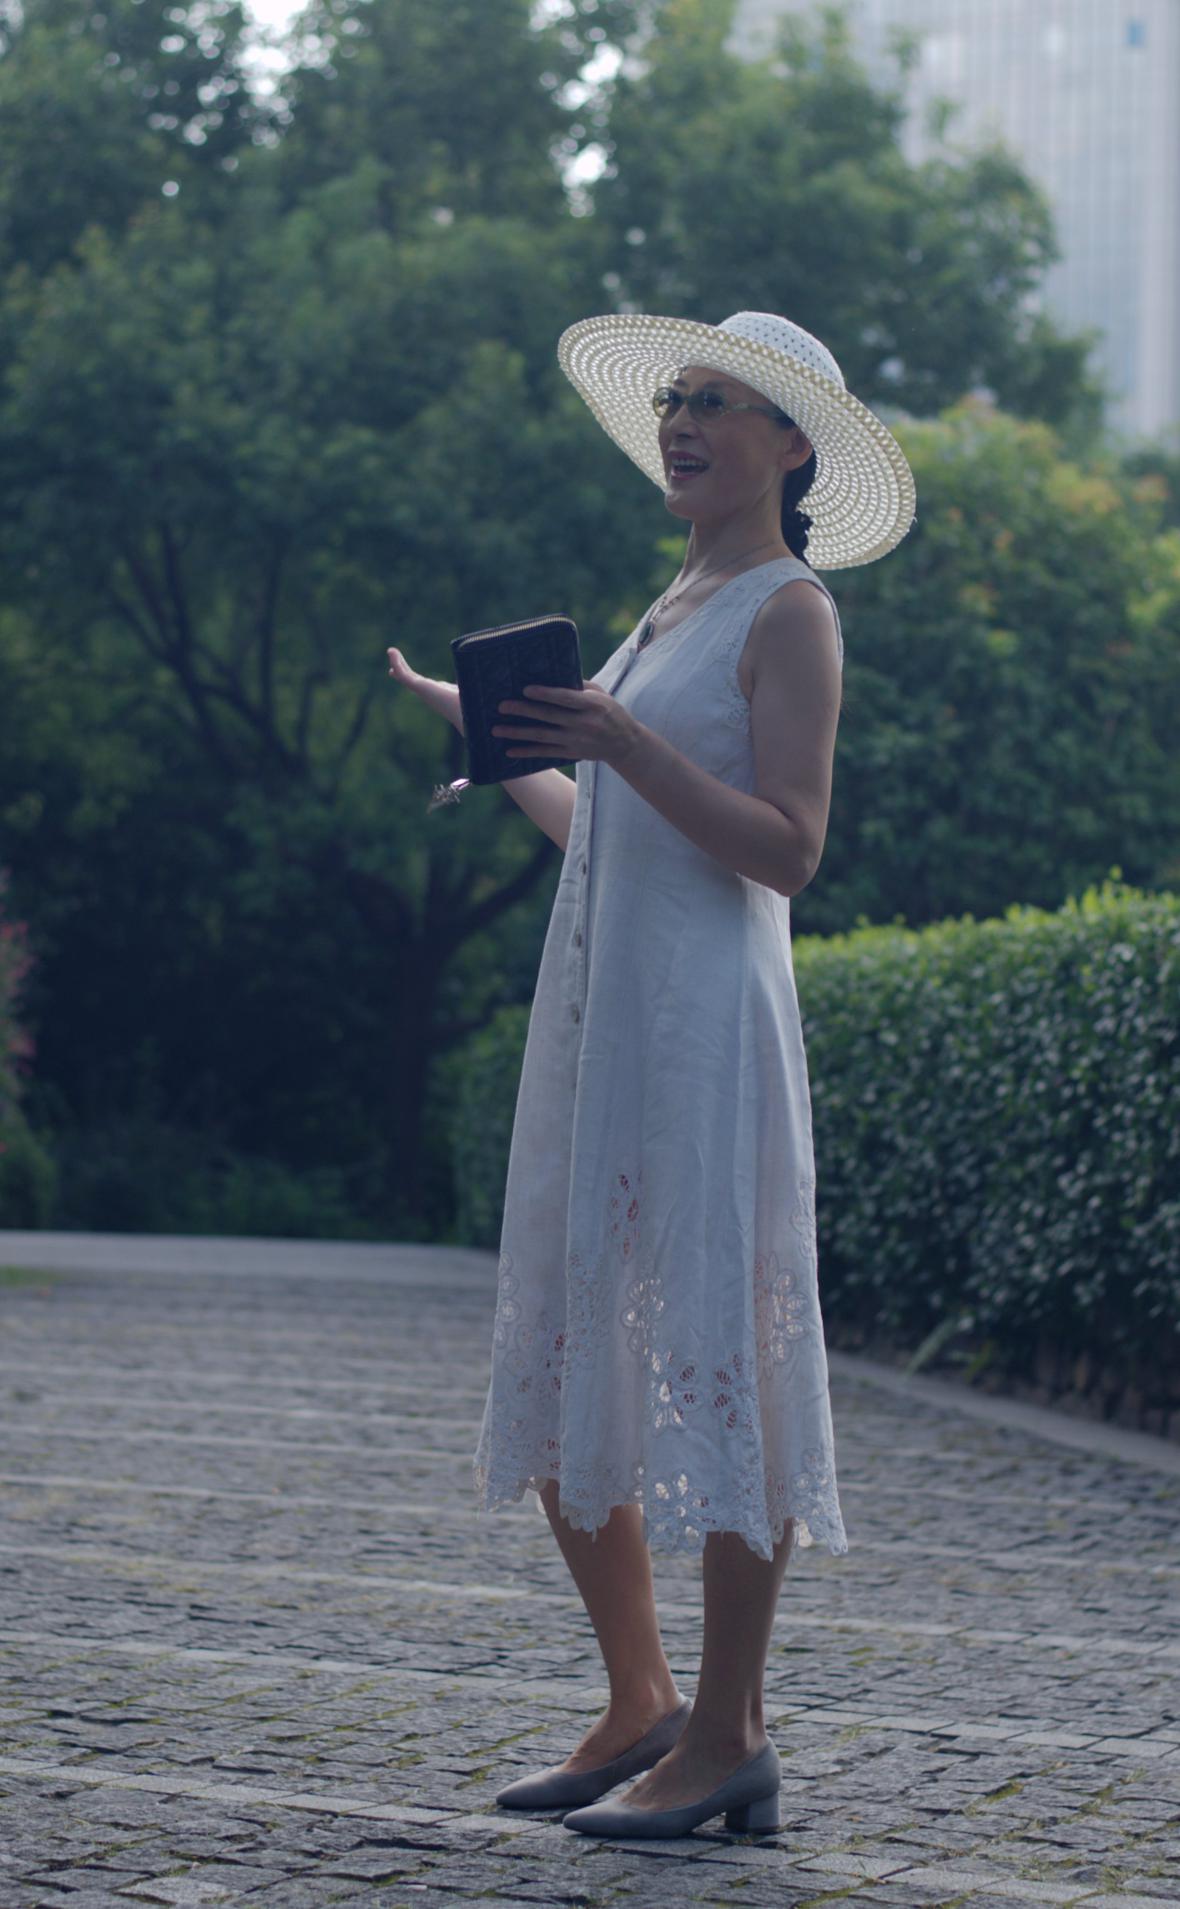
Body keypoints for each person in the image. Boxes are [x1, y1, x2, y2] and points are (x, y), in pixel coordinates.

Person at [388, 310, 916, 1840]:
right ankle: (642, 1699)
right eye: (675, 397)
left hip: (706, 1033)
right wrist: (508, 743)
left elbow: (788, 849)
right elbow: (612, 829)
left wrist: (620, 741)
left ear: (793, 443)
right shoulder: (671, 601)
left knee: (723, 1356)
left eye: (718, 402)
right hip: (603, 1023)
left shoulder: (790, 610)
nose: (681, 419)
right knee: (570, 1352)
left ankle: (732, 1729)